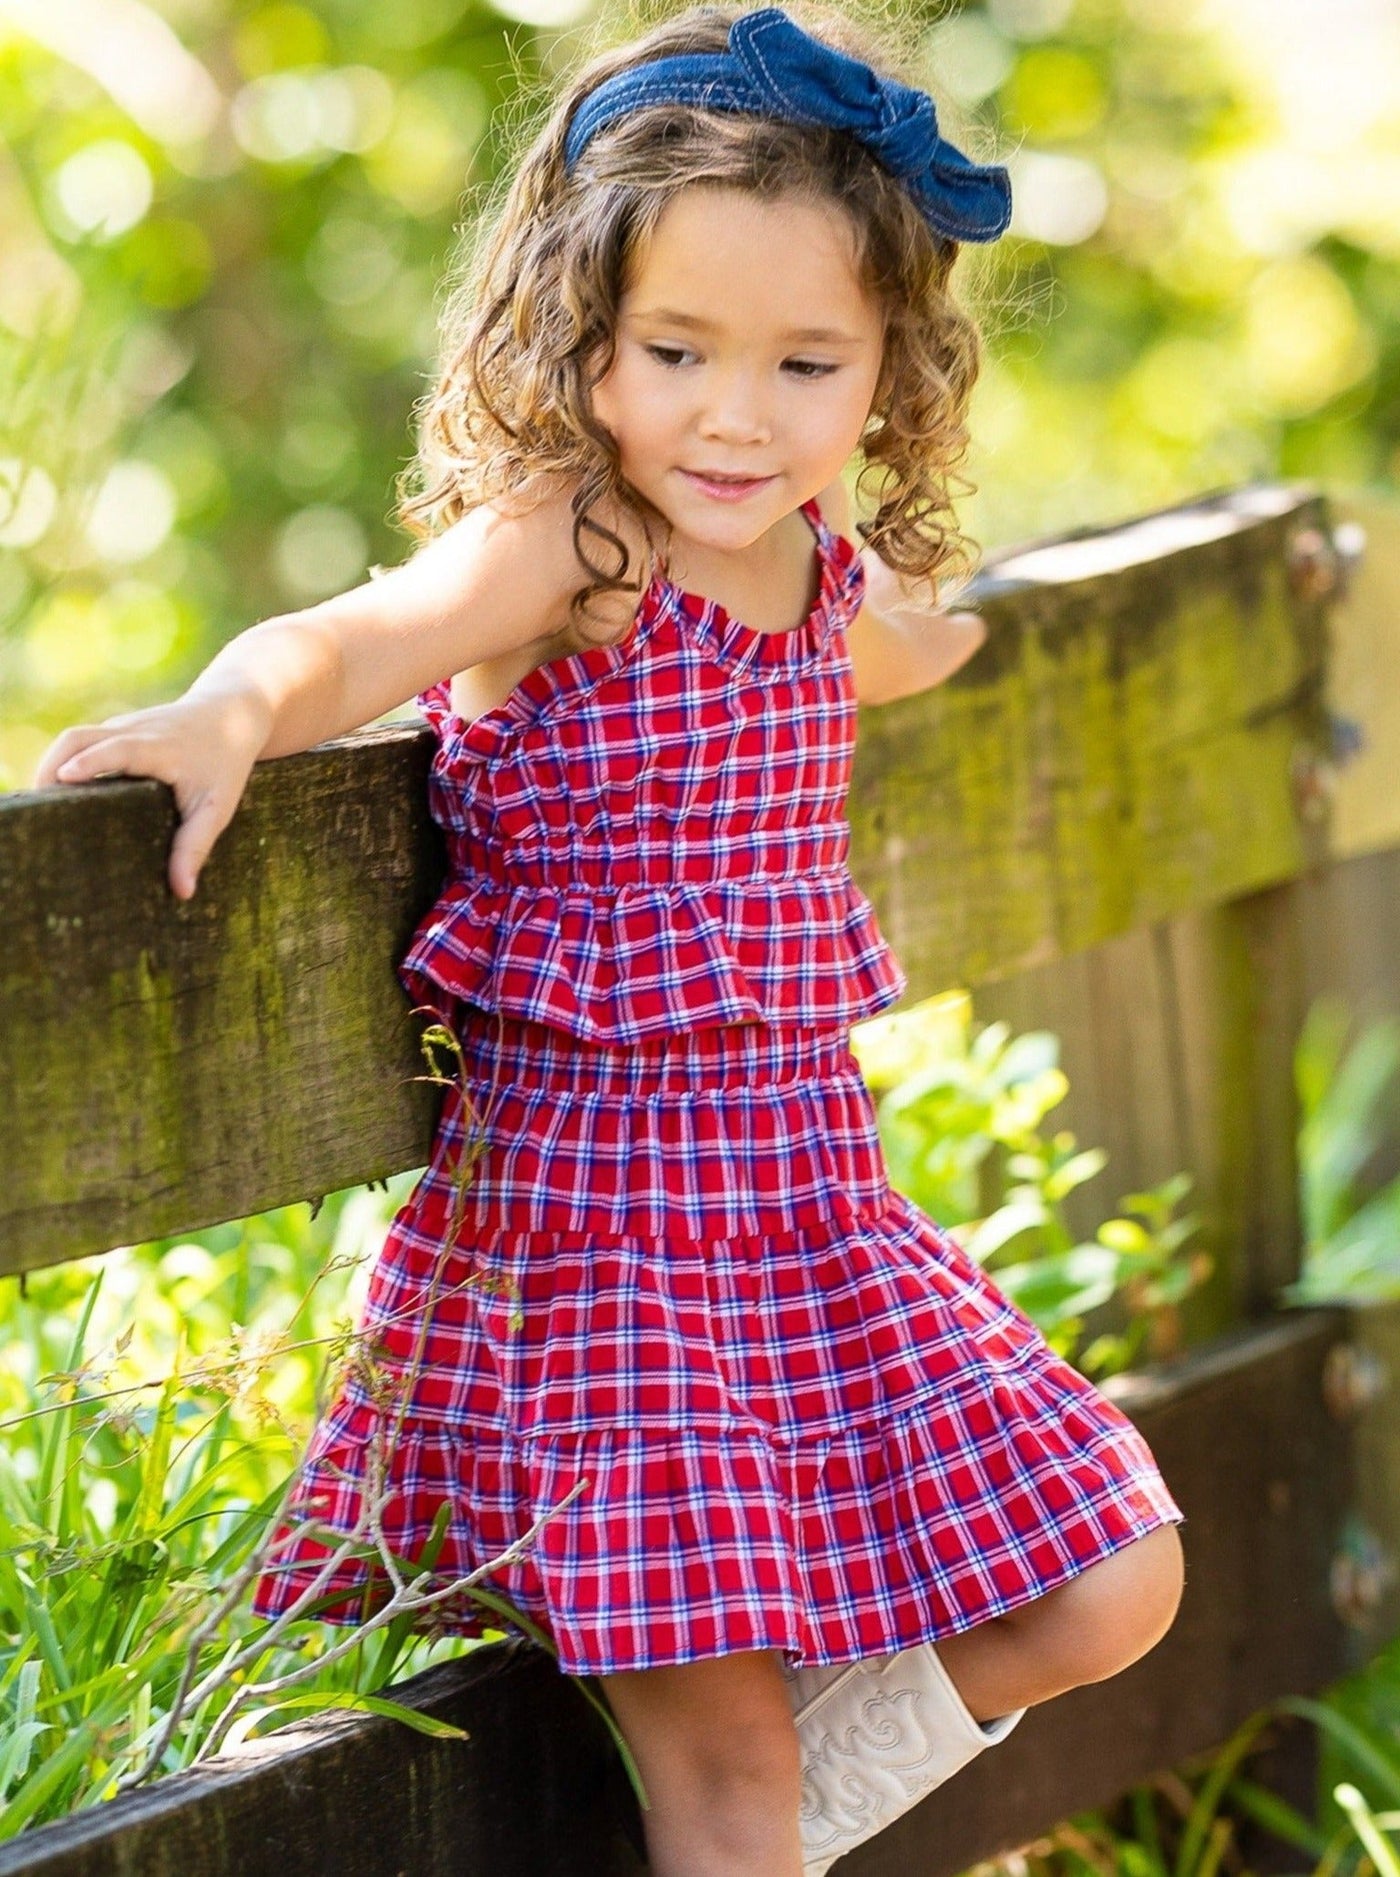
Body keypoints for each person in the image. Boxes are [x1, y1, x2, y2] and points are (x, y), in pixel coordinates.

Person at [35, 5, 1186, 1872]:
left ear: (889, 371)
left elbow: (907, 642)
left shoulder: (819, 569)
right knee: (725, 1778)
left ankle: (765, 1830)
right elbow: (349, 638)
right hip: (610, 1273)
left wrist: (940, 617)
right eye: (678, 351)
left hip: (808, 1235)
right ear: (583, 338)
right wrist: (227, 713)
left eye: (808, 363)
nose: (738, 415)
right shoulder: (578, 545)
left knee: (1111, 1575)